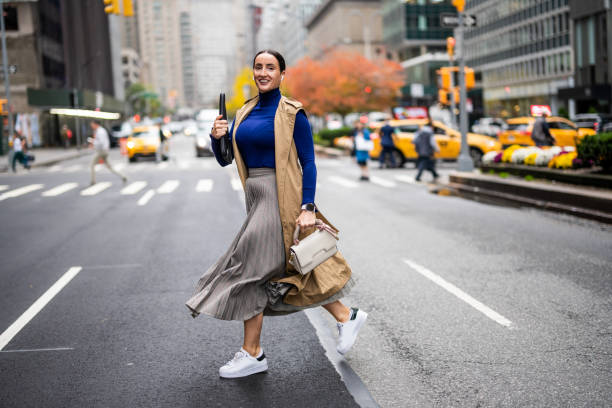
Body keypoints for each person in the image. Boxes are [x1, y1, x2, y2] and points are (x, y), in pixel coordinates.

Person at [185, 50, 366, 379]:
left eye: (271, 67)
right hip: (256, 196)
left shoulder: (292, 112)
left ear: (282, 74)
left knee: (249, 266)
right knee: (278, 268)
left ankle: (253, 352)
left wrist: (308, 207)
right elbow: (226, 160)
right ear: (253, 72)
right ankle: (344, 316)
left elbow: (309, 162)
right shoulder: (244, 112)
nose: (263, 72)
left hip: (282, 195)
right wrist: (217, 139)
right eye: (258, 67)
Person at [88, 120, 127, 186]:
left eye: (92, 125)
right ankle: (122, 176)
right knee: (110, 167)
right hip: (104, 151)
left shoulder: (100, 131)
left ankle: (93, 181)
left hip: (102, 151)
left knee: (92, 165)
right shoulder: (100, 131)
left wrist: (93, 142)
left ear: (95, 124)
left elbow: (101, 142)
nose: (92, 126)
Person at [413, 118, 439, 182]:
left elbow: (414, 140)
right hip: (427, 151)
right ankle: (418, 176)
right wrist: (437, 149)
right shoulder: (429, 133)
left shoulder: (419, 132)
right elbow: (433, 143)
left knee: (429, 164)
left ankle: (435, 174)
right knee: (424, 163)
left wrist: (417, 149)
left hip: (420, 151)